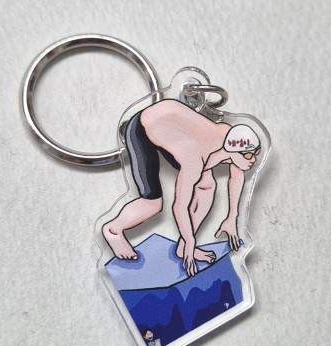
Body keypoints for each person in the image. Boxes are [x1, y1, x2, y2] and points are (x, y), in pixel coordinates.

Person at [103, 99, 261, 277]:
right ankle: (113, 230)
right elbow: (179, 207)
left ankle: (182, 247)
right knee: (153, 204)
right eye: (249, 155)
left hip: (174, 132)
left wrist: (232, 217)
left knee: (207, 187)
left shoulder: (227, 133)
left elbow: (237, 175)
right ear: (231, 151)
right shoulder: (194, 161)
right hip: (142, 129)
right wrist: (191, 240)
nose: (253, 160)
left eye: (255, 153)